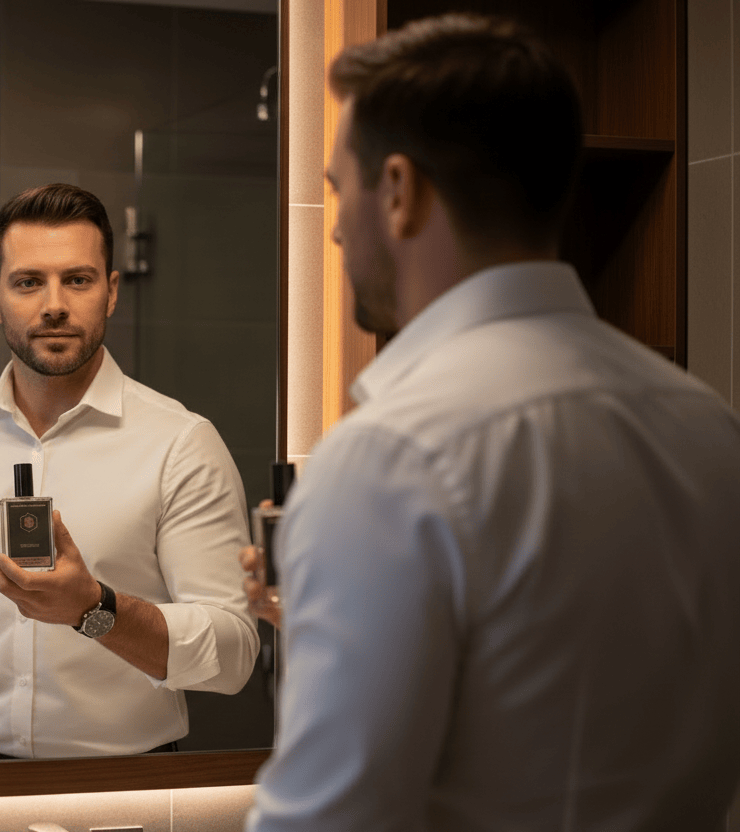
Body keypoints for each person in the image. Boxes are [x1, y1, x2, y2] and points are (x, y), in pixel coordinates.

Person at [247, 13, 740, 831]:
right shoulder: (707, 427)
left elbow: (325, 821)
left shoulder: (390, 458)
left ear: (400, 192)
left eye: (341, 189)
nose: (333, 226)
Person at [0, 183, 258, 763]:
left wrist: (93, 612)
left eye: (78, 279)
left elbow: (233, 656)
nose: (54, 304)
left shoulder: (180, 444)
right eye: (29, 282)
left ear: (112, 291)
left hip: (129, 788)